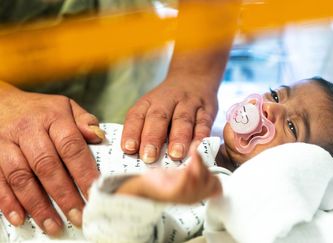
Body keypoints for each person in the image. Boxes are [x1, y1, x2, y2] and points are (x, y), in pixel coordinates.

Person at [0, 0, 238, 236]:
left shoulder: (220, 194)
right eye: (273, 95)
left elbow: (136, 233)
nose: (267, 107)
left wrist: (192, 74)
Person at [82, 77, 333, 242]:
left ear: (299, 167)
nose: (270, 108)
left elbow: (119, 237)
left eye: (291, 126)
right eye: (277, 95)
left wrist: (146, 192)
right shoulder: (195, 135)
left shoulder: (215, 195)